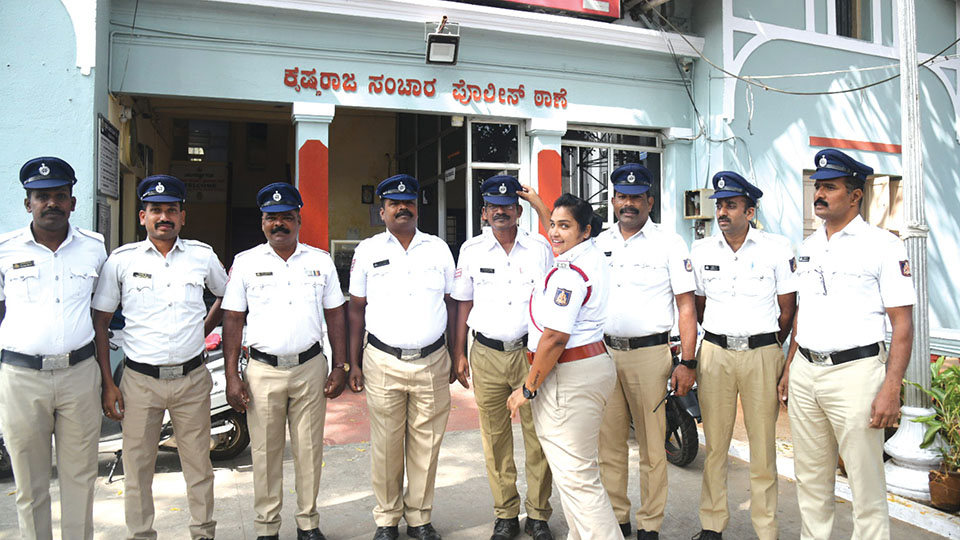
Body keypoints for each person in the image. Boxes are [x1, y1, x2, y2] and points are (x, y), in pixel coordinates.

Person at [779, 149, 914, 540]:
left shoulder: (883, 246)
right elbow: (803, 312)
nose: (819, 193)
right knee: (810, 478)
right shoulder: (807, 246)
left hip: (856, 374)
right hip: (806, 372)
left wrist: (891, 388)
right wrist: (790, 369)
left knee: (864, 481)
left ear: (855, 196)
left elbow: (902, 324)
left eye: (830, 187)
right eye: (817, 186)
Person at [92, 175, 228, 540]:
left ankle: (203, 533)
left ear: (183, 216)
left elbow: (226, 297)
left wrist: (202, 329)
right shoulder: (121, 261)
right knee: (137, 468)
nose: (163, 217)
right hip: (139, 381)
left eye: (171, 210)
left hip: (191, 379)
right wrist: (109, 382)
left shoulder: (202, 255)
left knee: (199, 465)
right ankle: (141, 535)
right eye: (156, 210)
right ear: (142, 217)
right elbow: (101, 320)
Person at [221, 182, 349, 540]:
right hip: (262, 371)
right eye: (271, 218)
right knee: (264, 453)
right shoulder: (245, 263)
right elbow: (232, 318)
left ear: (298, 220)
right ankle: (267, 527)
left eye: (286, 218)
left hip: (310, 368)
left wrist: (340, 366)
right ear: (262, 223)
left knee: (309, 451)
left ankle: (308, 523)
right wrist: (232, 375)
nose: (279, 224)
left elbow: (336, 314)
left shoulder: (320, 261)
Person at [0, 157, 107, 540]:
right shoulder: (5, 250)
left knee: (81, 478)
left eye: (60, 196)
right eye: (41, 196)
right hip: (21, 378)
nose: (51, 204)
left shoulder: (94, 248)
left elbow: (104, 311)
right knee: (30, 483)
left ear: (73, 202)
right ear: (27, 202)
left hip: (79, 375)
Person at [347, 174, 458, 540]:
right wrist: (353, 362)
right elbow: (355, 310)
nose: (402, 208)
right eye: (394, 204)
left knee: (427, 444)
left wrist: (457, 354)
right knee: (386, 445)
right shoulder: (367, 251)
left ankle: (420, 518)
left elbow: (453, 304)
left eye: (408, 202)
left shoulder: (439, 249)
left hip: (431, 360)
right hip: (382, 360)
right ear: (382, 212)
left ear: (417, 207)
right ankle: (387, 519)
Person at [689, 172, 797, 540]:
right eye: (719, 205)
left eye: (731, 205)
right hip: (716, 352)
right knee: (715, 444)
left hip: (762, 354)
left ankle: (766, 529)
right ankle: (712, 525)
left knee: (763, 446)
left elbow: (788, 308)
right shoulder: (701, 250)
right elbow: (698, 306)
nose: (722, 211)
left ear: (750, 211)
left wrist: (768, 343)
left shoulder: (777, 248)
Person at [507, 193, 619, 540]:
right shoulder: (590, 252)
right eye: (552, 225)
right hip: (587, 367)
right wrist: (542, 204)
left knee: (577, 477)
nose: (554, 232)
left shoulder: (570, 274)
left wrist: (528, 388)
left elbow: (555, 337)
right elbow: (563, 229)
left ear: (585, 230)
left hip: (568, 376)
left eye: (563, 226)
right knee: (574, 475)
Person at [595, 163, 697, 540]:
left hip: (651, 357)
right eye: (622, 196)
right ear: (613, 200)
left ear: (649, 201)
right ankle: (618, 520)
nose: (629, 203)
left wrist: (688, 361)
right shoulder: (599, 242)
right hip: (605, 354)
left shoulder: (669, 243)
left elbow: (686, 306)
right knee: (610, 444)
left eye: (636, 197)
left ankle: (649, 525)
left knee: (654, 448)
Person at [452, 175, 555, 540]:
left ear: (518, 210)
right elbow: (462, 303)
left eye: (507, 205)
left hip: (530, 354)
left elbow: (568, 245)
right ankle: (506, 514)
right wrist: (458, 352)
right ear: (484, 212)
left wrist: (542, 203)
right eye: (493, 206)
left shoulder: (540, 248)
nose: (500, 211)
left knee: (537, 437)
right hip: (486, 353)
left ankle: (539, 514)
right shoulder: (471, 250)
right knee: (495, 438)